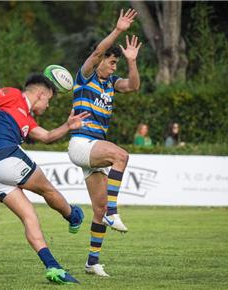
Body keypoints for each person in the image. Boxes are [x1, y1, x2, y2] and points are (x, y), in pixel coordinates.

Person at [0, 74, 91, 285]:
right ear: (40, 94)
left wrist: (67, 126)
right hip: (6, 157)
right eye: (48, 100)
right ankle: (73, 216)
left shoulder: (26, 117)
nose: (48, 105)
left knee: (29, 216)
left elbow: (46, 137)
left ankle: (53, 267)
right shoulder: (13, 94)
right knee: (49, 190)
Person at [67, 8, 142, 277]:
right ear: (100, 62)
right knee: (121, 156)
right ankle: (114, 210)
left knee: (97, 211)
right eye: (112, 62)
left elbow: (133, 86)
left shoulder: (111, 83)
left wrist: (131, 61)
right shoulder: (84, 76)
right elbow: (99, 51)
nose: (113, 66)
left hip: (93, 149)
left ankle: (92, 262)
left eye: (115, 64)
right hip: (81, 143)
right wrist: (119, 30)